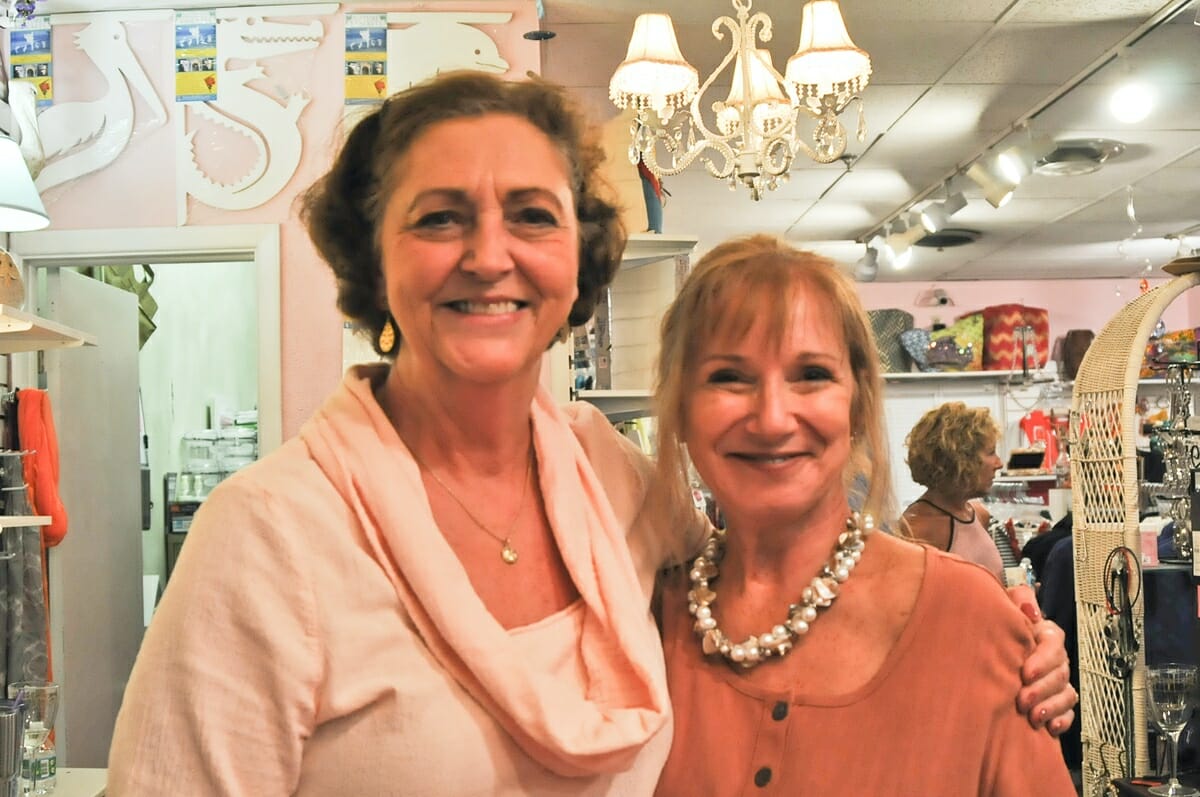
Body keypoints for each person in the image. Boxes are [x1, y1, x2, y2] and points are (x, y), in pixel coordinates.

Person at [107, 73, 1074, 795]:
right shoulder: (272, 535)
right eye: (440, 218)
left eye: (532, 215)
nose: (490, 255)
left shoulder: (610, 482)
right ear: (373, 258)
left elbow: (773, 585)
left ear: (577, 257)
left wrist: (1017, 647)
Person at [652, 236, 1076, 795]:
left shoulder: (968, 618)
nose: (772, 419)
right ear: (682, 407)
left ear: (856, 403)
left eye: (811, 374)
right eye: (729, 377)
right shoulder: (642, 615)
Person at [903, 401, 1008, 582]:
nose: (999, 464)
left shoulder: (978, 514)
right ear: (960, 459)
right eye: (991, 452)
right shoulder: (917, 529)